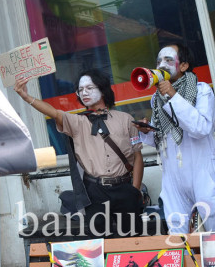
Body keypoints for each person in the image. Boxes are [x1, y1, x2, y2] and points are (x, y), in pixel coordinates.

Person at [15, 69, 144, 235]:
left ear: (103, 89)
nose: (84, 93)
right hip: (95, 191)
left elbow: (137, 155)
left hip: (125, 188)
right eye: (81, 90)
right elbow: (53, 112)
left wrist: (135, 190)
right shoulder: (77, 122)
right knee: (99, 243)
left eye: (89, 88)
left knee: (134, 240)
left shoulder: (125, 119)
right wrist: (26, 97)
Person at [133, 44, 215, 233]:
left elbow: (200, 128)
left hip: (202, 172)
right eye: (159, 61)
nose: (162, 65)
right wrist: (146, 131)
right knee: (176, 235)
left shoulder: (202, 91)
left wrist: (173, 95)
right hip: (172, 176)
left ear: (184, 66)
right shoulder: (157, 99)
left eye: (168, 60)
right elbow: (160, 140)